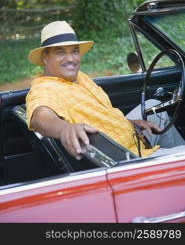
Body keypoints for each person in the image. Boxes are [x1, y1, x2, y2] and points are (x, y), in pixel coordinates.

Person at [26, 21, 185, 161]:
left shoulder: (79, 77)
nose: (71, 59)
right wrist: (65, 129)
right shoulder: (44, 88)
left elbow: (102, 115)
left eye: (74, 51)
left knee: (154, 106)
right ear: (45, 58)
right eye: (60, 52)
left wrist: (131, 123)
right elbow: (41, 117)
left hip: (127, 136)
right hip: (126, 157)